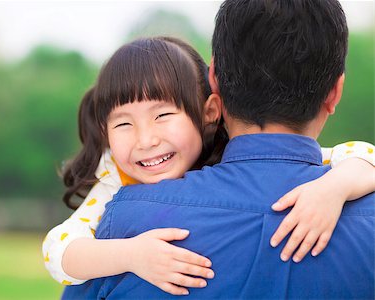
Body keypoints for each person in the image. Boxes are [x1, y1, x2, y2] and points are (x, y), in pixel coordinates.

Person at [60, 0, 374, 298]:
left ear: (215, 84)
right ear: (334, 93)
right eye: (124, 124)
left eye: (162, 116)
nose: (146, 141)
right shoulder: (351, 184)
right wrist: (338, 185)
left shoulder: (121, 221)